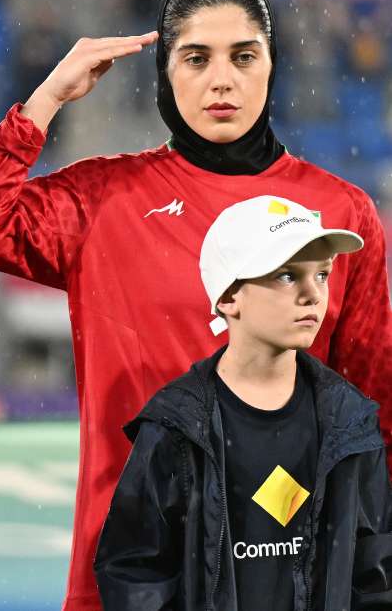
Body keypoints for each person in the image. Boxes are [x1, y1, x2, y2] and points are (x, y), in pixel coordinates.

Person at [0, 0, 392, 610]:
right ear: (165, 74)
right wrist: (42, 104)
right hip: (128, 575)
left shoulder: (341, 215)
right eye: (196, 58)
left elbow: (376, 408)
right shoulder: (103, 199)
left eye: (244, 56)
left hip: (291, 571)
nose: (222, 80)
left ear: (271, 64)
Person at [95, 195, 392, 608]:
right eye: (288, 277)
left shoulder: (352, 422)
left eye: (322, 275)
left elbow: (376, 575)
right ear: (228, 297)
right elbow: (135, 574)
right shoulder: (175, 425)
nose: (313, 295)